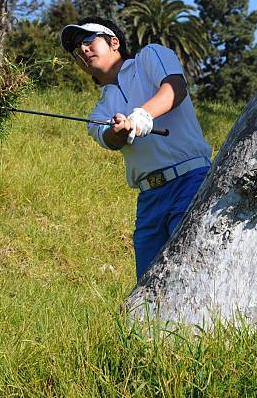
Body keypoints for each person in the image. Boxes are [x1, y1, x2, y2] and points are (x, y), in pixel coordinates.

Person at [61, 17, 212, 281]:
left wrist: (142, 116)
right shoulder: (100, 111)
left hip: (191, 181)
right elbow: (110, 139)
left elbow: (176, 88)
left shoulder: (150, 56)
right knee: (148, 286)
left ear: (114, 42)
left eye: (88, 40)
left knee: (191, 272)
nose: (83, 50)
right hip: (149, 198)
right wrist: (117, 131)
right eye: (76, 50)